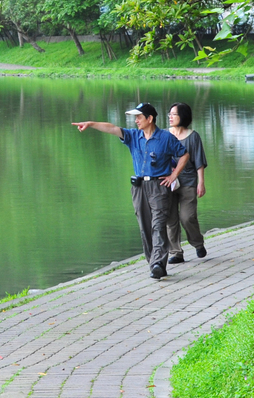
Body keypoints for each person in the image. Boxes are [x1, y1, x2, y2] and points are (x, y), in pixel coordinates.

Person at [71, 102, 189, 280]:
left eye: (139, 117)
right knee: (145, 227)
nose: (136, 121)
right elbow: (112, 128)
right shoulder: (134, 136)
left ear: (150, 119)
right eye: (135, 117)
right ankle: (154, 264)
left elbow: (184, 154)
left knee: (158, 225)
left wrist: (173, 176)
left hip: (159, 187)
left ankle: (158, 263)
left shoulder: (166, 138)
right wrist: (91, 124)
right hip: (139, 188)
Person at [165, 102, 208, 262]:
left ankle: (197, 243)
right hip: (167, 182)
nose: (170, 117)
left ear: (183, 116)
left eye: (174, 114)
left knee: (187, 217)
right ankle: (176, 252)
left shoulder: (193, 136)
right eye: (169, 114)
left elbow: (199, 161)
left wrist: (201, 182)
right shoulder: (164, 134)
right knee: (170, 219)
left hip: (188, 182)